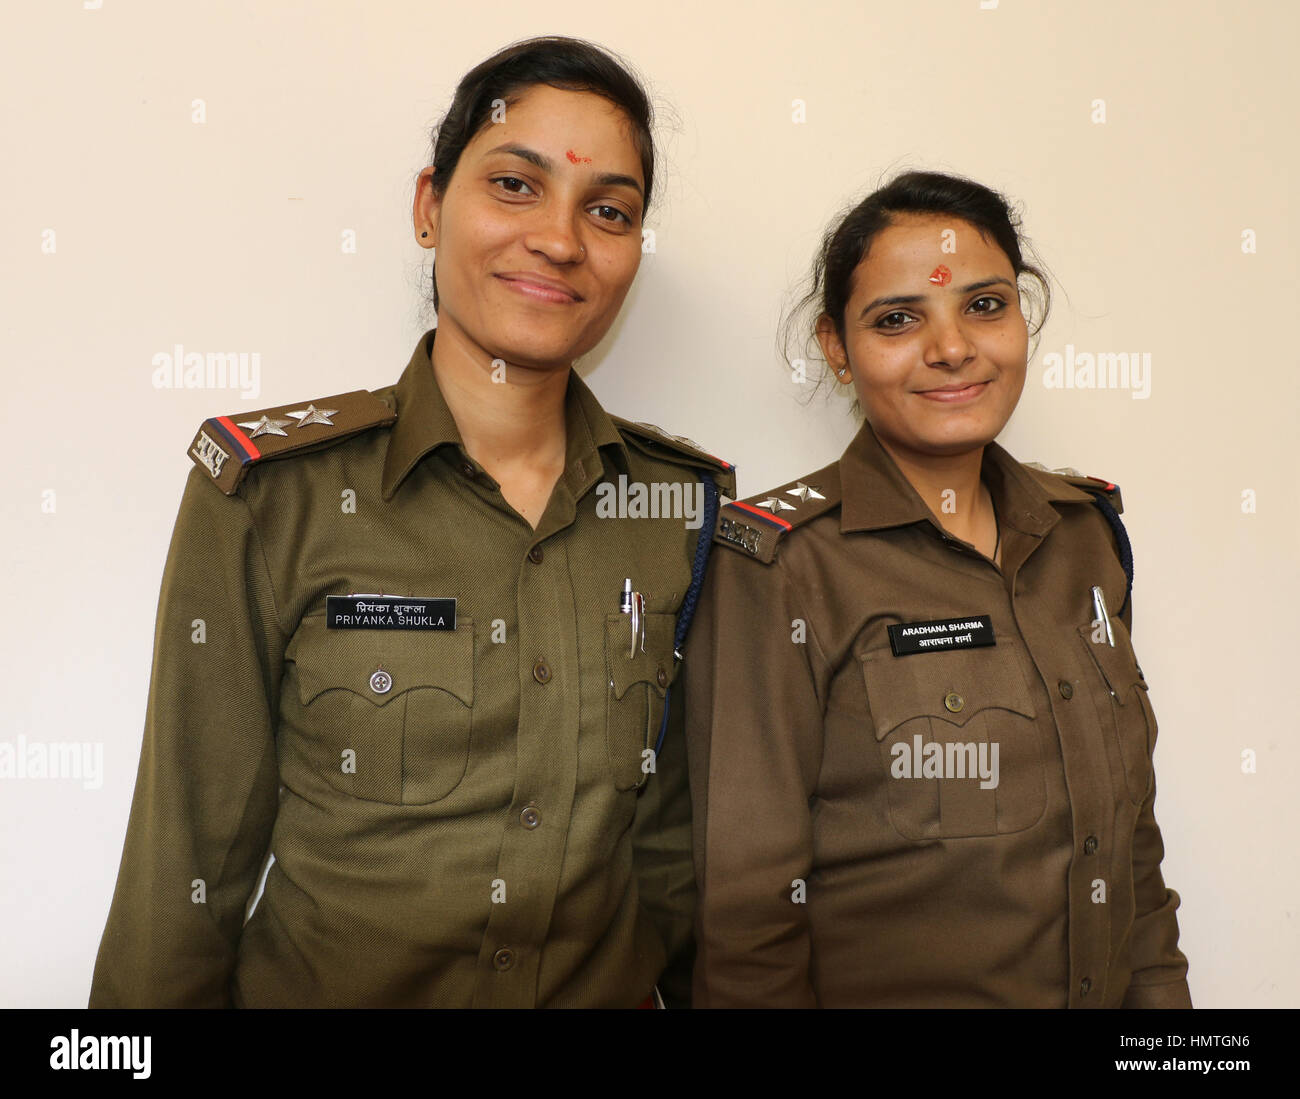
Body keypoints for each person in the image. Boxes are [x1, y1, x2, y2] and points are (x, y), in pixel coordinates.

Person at [89, 35, 733, 1009]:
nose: (560, 239)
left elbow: (676, 863)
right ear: (431, 207)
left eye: (608, 209)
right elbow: (184, 870)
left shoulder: (679, 508)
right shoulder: (274, 496)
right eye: (515, 186)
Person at [684, 170, 1190, 1008]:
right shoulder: (781, 565)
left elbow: (1132, 854)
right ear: (836, 347)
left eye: (984, 306)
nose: (953, 347)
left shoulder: (1082, 539)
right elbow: (748, 916)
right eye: (897, 319)